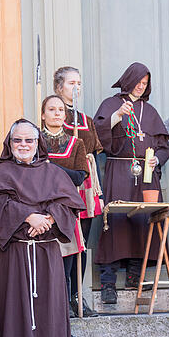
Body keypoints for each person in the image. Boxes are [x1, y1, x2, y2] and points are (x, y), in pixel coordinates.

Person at [0, 119, 85, 337]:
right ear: (10, 143)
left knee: (48, 305)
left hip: (46, 251)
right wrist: (29, 217)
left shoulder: (53, 173)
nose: (23, 145)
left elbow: (68, 205)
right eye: (18, 140)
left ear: (38, 143)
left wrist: (47, 219)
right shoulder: (1, 173)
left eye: (29, 140)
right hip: (16, 252)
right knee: (15, 304)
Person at [94, 62, 169, 304]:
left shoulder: (149, 111)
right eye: (138, 81)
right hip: (119, 169)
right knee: (115, 221)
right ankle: (108, 282)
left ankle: (135, 276)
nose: (141, 86)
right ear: (128, 80)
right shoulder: (111, 104)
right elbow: (98, 134)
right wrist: (117, 117)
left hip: (146, 173)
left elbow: (163, 147)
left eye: (145, 83)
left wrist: (157, 159)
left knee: (143, 221)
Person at [54, 66, 103, 318]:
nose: (76, 87)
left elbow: (92, 154)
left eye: (79, 83)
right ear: (59, 87)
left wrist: (99, 191)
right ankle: (61, 295)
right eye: (71, 83)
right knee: (67, 241)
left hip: (85, 183)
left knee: (82, 243)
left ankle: (77, 297)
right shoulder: (53, 115)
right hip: (63, 182)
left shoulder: (86, 120)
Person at [40, 95, 93, 323]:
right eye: (51, 109)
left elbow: (80, 177)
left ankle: (64, 312)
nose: (57, 113)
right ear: (43, 115)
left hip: (66, 211)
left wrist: (51, 169)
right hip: (39, 209)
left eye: (61, 109)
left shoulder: (76, 144)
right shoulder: (33, 141)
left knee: (65, 266)